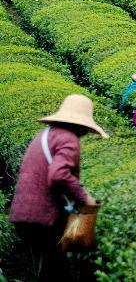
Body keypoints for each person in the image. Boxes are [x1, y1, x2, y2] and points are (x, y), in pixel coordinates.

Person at [8, 94, 108, 281]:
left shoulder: (45, 135)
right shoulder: (68, 138)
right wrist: (84, 197)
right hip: (42, 218)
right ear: (81, 125)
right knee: (55, 273)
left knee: (45, 269)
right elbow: (58, 175)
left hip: (23, 215)